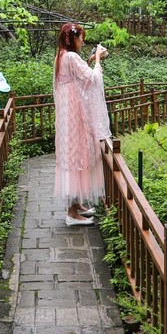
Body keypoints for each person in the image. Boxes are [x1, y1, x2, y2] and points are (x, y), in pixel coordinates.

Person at [53, 22, 109, 225]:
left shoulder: (61, 56)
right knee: (76, 155)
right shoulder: (71, 57)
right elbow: (92, 79)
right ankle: (71, 214)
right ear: (73, 39)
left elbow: (78, 73)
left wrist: (91, 60)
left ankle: (76, 205)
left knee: (73, 154)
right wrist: (99, 60)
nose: (82, 41)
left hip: (68, 113)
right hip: (75, 113)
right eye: (81, 38)